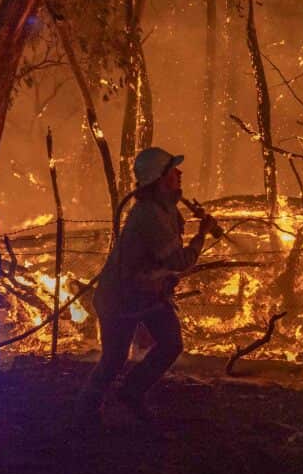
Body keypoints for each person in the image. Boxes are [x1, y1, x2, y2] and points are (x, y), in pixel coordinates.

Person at [77, 146, 222, 423]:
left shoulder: (165, 209)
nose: (179, 173)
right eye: (172, 170)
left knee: (170, 343)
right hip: (120, 298)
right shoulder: (150, 216)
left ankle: (131, 393)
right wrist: (201, 235)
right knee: (114, 360)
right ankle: (86, 410)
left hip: (147, 295)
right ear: (160, 178)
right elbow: (179, 260)